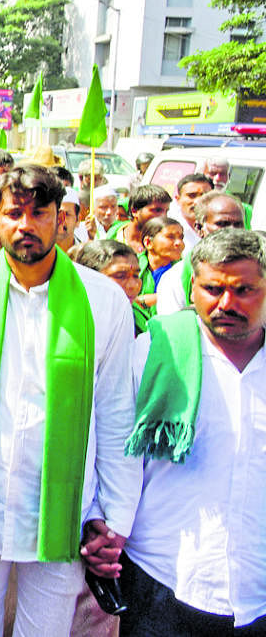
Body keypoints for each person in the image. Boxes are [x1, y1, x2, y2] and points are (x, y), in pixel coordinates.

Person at [0, 164, 140, 636]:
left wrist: (113, 515)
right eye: (13, 213)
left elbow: (114, 414)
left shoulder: (102, 300)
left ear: (60, 217)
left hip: (59, 510)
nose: (25, 225)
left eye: (39, 213)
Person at [119, 228, 266, 633]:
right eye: (213, 288)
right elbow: (115, 455)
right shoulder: (152, 353)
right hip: (162, 578)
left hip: (257, 592)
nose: (226, 303)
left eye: (244, 290)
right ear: (192, 289)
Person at [155, 191, 246, 317]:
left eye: (238, 224)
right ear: (199, 228)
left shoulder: (258, 270)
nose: (232, 231)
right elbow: (174, 329)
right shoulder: (175, 277)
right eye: (222, 224)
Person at [74, 239, 150, 335]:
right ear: (91, 277)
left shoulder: (138, 317)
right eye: (120, 276)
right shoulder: (77, 325)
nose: (133, 285)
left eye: (136, 276)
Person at [107, 184, 171, 254]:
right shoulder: (113, 237)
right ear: (134, 211)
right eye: (157, 210)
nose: (163, 216)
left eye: (166, 211)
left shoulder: (166, 242)